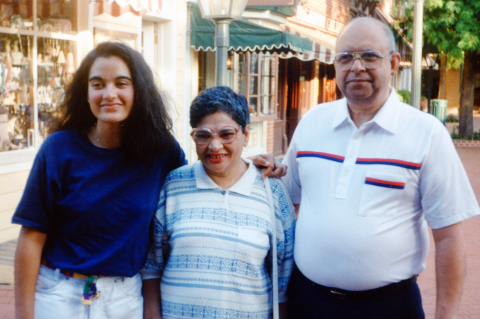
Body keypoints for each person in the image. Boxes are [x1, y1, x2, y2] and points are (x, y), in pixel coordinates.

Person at [281, 17, 480, 319]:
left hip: (389, 307)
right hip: (308, 302)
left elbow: (450, 237)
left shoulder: (426, 133)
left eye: (369, 56)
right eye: (345, 57)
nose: (356, 67)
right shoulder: (311, 123)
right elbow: (286, 205)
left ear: (394, 62)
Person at [12, 42, 187, 319]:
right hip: (59, 294)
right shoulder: (59, 149)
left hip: (125, 298)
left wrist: (249, 165)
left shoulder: (160, 151)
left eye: (121, 83)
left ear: (137, 90)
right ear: (86, 92)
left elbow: (196, 183)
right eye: (97, 84)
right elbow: (31, 238)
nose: (109, 94)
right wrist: (23, 315)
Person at [142, 86, 296, 319]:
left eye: (226, 134)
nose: (215, 146)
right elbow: (152, 266)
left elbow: (282, 280)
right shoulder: (174, 184)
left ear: (246, 135)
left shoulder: (272, 192)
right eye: (203, 135)